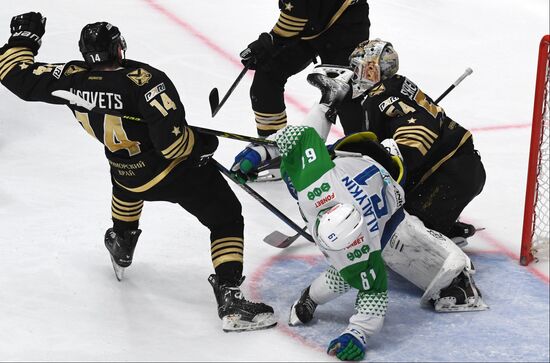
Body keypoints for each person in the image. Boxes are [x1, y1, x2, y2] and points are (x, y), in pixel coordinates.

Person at [0, 12, 276, 332]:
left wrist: (24, 38)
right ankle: (231, 297)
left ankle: (122, 237)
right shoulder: (145, 80)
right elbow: (173, 147)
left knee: (126, 179)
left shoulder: (71, 77)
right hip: (171, 173)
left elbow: (13, 73)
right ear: (118, 49)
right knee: (226, 215)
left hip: (126, 172)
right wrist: (201, 143)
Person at [233, 123, 487, 361]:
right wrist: (260, 152)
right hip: (356, 159)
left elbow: (374, 295)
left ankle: (310, 296)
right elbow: (302, 134)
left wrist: (358, 334)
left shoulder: (366, 250)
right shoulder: (316, 181)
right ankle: (311, 295)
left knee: (350, 272)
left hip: (389, 198)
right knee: (293, 172)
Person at [237, 38, 486, 246]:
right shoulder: (391, 89)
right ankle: (442, 225)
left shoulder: (383, 96)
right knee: (390, 211)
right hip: (456, 170)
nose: (354, 75)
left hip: (452, 174)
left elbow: (408, 146)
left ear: (371, 70)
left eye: (358, 68)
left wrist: (355, 156)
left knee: (397, 236)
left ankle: (454, 275)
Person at [239, 0, 370, 138]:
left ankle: (364, 151)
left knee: (347, 89)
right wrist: (270, 42)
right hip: (310, 21)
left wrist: (271, 41)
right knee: (268, 71)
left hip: (345, 20)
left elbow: (294, 19)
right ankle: (272, 143)